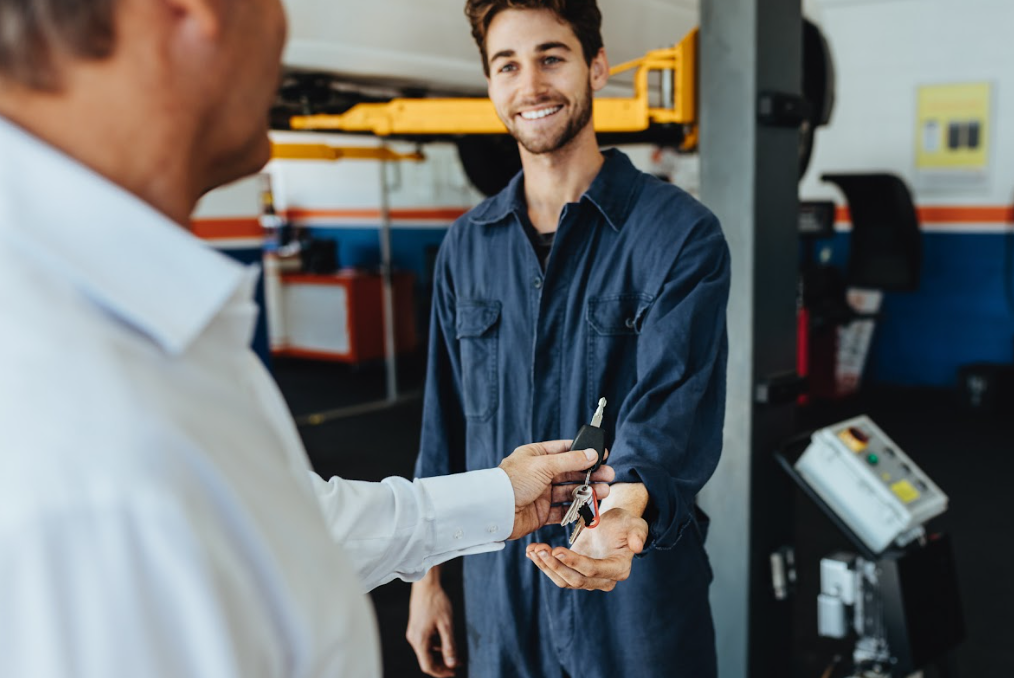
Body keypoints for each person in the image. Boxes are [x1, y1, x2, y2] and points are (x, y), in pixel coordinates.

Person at [0, 1, 616, 676]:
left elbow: (290, 529)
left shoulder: (135, 333)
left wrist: (497, 496)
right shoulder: (74, 421)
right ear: (193, 11)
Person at [407, 1, 731, 677]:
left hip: (629, 587)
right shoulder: (466, 247)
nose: (531, 85)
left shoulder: (678, 235)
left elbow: (670, 417)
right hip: (499, 591)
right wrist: (425, 579)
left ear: (597, 67)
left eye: (551, 57)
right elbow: (443, 430)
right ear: (491, 84)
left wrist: (622, 510)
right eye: (508, 65)